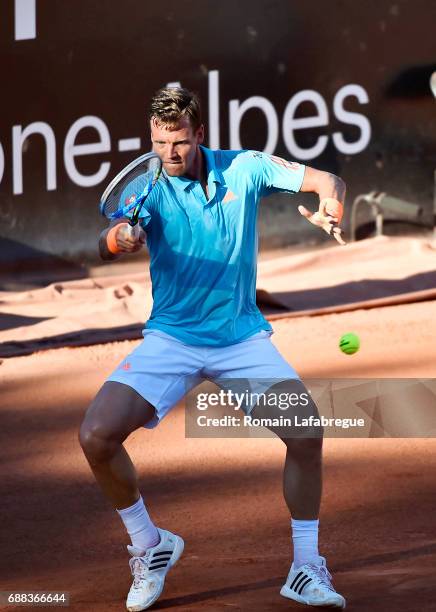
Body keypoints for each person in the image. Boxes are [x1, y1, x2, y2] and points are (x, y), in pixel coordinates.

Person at [79, 86, 347, 611]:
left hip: (241, 338)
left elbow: (326, 179)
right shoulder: (149, 188)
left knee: (307, 432)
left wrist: (330, 204)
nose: (167, 154)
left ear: (199, 134)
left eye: (177, 142)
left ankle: (305, 566)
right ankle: (149, 546)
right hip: (172, 339)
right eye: (158, 142)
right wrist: (119, 242)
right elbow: (103, 244)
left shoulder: (246, 168)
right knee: (95, 436)